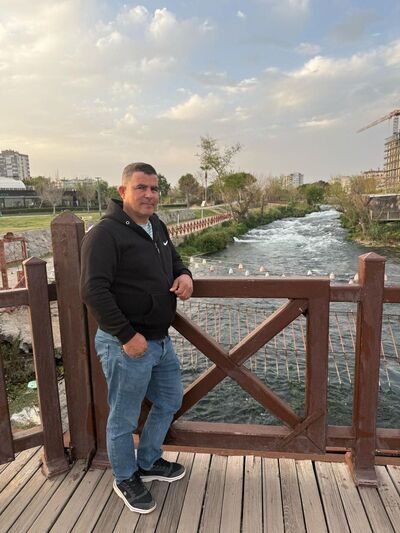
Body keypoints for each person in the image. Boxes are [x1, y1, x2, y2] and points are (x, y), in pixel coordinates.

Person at [80, 162, 193, 514]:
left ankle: (148, 461)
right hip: (125, 345)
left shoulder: (156, 225)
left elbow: (174, 260)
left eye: (154, 188)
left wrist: (185, 274)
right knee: (124, 418)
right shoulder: (104, 234)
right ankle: (125, 476)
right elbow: (93, 291)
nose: (149, 194)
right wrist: (127, 336)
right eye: (141, 187)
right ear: (122, 191)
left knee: (170, 400)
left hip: (160, 341)